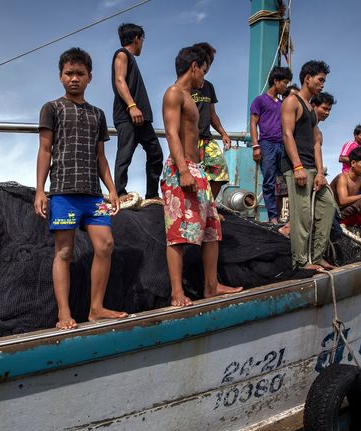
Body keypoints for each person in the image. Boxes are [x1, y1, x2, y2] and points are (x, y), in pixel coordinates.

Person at [34, 48, 127, 330]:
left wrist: (111, 189)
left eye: (80, 74)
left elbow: (101, 157)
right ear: (61, 77)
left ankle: (96, 308)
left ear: (90, 77)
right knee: (64, 251)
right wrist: (40, 190)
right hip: (63, 192)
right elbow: (44, 149)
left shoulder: (98, 115)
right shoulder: (51, 108)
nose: (74, 78)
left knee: (106, 244)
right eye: (69, 73)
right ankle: (64, 312)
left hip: (93, 195)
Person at [161, 46, 242, 307]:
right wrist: (183, 170)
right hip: (180, 168)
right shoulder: (174, 93)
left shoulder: (190, 96)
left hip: (198, 170)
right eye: (203, 71)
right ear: (194, 66)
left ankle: (211, 286)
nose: (203, 78)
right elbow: (172, 133)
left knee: (211, 230)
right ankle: (176, 293)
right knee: (178, 234)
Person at [280, 60, 336, 271]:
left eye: (324, 81)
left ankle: (317, 255)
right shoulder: (292, 102)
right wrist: (297, 166)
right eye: (320, 80)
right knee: (302, 217)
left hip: (313, 168)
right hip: (297, 167)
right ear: (307, 78)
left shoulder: (312, 111)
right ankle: (301, 262)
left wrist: (321, 172)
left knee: (328, 205)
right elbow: (286, 134)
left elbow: (316, 143)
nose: (322, 84)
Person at [111, 23, 163, 202]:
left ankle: (152, 194)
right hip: (128, 116)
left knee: (155, 153)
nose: (142, 44)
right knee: (125, 154)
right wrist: (132, 106)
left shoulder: (131, 59)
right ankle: (119, 192)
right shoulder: (122, 54)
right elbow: (119, 80)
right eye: (142, 40)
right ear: (137, 39)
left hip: (142, 118)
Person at [250, 66, 293, 223]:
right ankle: (273, 218)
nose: (286, 86)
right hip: (267, 144)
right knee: (269, 182)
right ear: (276, 81)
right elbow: (253, 123)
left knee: (288, 180)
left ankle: (287, 217)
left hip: (283, 145)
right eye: (285, 83)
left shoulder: (283, 104)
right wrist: (256, 146)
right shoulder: (260, 100)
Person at [191, 42, 231, 201]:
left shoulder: (209, 86)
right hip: (190, 140)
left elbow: (212, 114)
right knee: (192, 175)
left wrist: (223, 133)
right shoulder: (182, 87)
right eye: (206, 60)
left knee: (220, 170)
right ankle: (194, 208)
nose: (208, 65)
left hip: (207, 138)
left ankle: (209, 206)